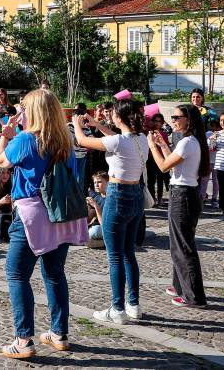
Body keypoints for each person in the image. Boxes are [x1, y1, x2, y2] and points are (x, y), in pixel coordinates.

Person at [0, 89, 86, 359]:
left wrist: (5, 134)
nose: (20, 112)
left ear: (33, 111)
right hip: (61, 214)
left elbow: (1, 162)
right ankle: (59, 333)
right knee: (54, 273)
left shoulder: (26, 139)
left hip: (31, 215)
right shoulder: (65, 140)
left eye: (23, 108)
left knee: (16, 274)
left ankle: (23, 340)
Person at [72, 98, 147, 324]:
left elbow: (82, 140)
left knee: (114, 256)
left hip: (118, 194)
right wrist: (97, 124)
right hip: (136, 195)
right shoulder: (140, 139)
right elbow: (112, 136)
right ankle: (133, 304)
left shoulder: (117, 142)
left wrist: (77, 123)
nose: (110, 115)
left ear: (120, 117)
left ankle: (117, 308)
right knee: (128, 253)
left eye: (113, 113)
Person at [148, 104, 209, 308]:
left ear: (188, 120)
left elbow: (164, 167)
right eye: (172, 116)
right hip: (184, 193)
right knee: (179, 244)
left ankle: (194, 296)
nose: (173, 120)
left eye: (177, 117)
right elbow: (174, 165)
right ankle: (180, 285)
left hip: (182, 195)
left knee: (183, 246)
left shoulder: (187, 142)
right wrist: (163, 145)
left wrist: (152, 147)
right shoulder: (189, 141)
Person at [87, 172, 109, 243]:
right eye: (95, 182)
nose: (96, 185)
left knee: (94, 232)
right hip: (97, 225)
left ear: (108, 183)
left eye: (99, 182)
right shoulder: (98, 197)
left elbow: (104, 224)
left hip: (108, 228)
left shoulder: (110, 199)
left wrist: (96, 206)